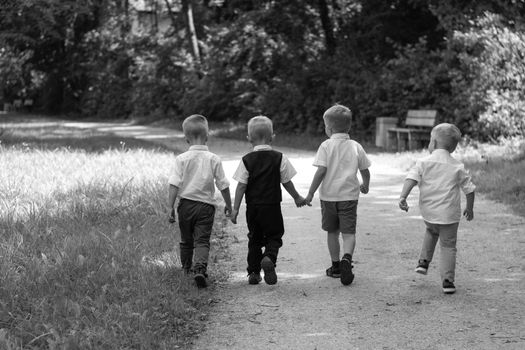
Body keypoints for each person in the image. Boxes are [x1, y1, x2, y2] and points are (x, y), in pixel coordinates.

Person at [399, 123, 475, 294]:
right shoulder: (457, 166)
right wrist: (470, 208)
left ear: (433, 142)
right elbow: (470, 189)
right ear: (453, 147)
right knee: (448, 246)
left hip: (429, 212)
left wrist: (403, 196)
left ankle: (423, 262)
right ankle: (448, 281)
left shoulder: (423, 162)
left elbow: (411, 178)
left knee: (431, 232)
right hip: (449, 215)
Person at [230, 116, 307, 285]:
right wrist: (297, 197)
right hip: (272, 206)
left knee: (254, 239)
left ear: (249, 138)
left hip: (253, 208)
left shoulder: (246, 160)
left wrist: (235, 209)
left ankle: (254, 273)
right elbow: (286, 182)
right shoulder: (280, 158)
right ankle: (269, 257)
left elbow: (241, 186)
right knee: (275, 236)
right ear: (272, 137)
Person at [305, 104, 371, 286]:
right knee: (348, 233)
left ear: (329, 128)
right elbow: (365, 170)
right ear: (348, 127)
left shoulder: (326, 145)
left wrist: (310, 192)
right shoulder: (356, 146)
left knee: (332, 232)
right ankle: (347, 260)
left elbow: (321, 171)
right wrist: (365, 184)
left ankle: (335, 267)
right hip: (349, 197)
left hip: (328, 197)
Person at [168, 114, 232, 288]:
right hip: (205, 207)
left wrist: (170, 207)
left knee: (186, 240)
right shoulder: (214, 159)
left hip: (185, 206)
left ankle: (186, 269)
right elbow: (223, 185)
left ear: (185, 139)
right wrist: (229, 204)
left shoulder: (181, 159)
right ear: (207, 136)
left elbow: (174, 184)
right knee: (202, 241)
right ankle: (200, 270)